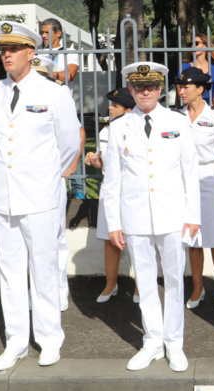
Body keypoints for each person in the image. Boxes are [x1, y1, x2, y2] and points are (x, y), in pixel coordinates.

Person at [0, 21, 81, 371]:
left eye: (13, 49)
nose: (6, 54)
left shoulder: (54, 93)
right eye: (2, 49)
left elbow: (68, 145)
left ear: (30, 52)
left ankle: (50, 338)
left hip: (40, 195)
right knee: (9, 273)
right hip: (5, 197)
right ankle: (16, 341)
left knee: (43, 270)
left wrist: (44, 175)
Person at [101, 61, 200, 373]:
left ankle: (174, 342)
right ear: (131, 90)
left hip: (172, 215)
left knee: (173, 280)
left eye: (152, 86)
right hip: (135, 217)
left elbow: (190, 172)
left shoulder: (178, 122)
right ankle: (153, 340)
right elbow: (112, 180)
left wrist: (193, 215)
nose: (146, 91)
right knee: (144, 280)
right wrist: (114, 223)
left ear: (160, 89)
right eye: (139, 87)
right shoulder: (118, 128)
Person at [176, 67, 214, 310]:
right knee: (192, 237)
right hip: (183, 179)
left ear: (200, 89)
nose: (181, 91)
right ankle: (197, 287)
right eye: (179, 87)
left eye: (185, 87)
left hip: (209, 176)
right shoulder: (176, 116)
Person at [30, 56, 81, 312]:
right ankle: (36, 291)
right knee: (30, 242)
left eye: (41, 74)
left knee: (57, 237)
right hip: (26, 181)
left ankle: (60, 289)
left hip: (52, 179)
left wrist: (63, 168)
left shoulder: (58, 96)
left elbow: (75, 136)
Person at [84, 88, 139, 304]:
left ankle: (140, 286)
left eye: (115, 105)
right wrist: (93, 159)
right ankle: (110, 283)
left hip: (132, 188)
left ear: (128, 109)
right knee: (109, 239)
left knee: (136, 237)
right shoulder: (105, 131)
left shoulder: (136, 130)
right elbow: (103, 163)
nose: (110, 108)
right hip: (110, 188)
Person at [39, 18, 85, 200]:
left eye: (47, 32)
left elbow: (69, 75)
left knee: (74, 141)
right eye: (42, 32)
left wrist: (44, 72)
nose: (43, 36)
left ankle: (78, 187)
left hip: (64, 104)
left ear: (58, 33)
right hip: (42, 105)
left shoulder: (69, 52)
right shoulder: (38, 53)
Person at [182, 33, 214, 107]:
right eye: (191, 44)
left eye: (196, 43)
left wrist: (213, 109)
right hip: (190, 108)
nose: (192, 46)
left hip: (209, 108)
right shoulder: (184, 67)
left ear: (205, 46)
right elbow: (180, 90)